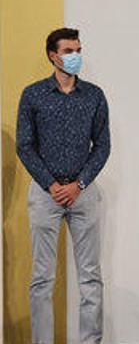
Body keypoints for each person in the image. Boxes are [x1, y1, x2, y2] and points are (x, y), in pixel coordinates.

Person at [16, 27, 111, 344]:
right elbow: (25, 145)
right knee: (42, 278)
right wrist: (51, 184)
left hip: (83, 194)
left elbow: (102, 145)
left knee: (90, 277)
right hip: (45, 196)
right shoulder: (33, 95)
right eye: (69, 51)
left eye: (78, 50)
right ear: (52, 55)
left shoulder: (94, 95)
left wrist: (80, 183)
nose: (75, 57)